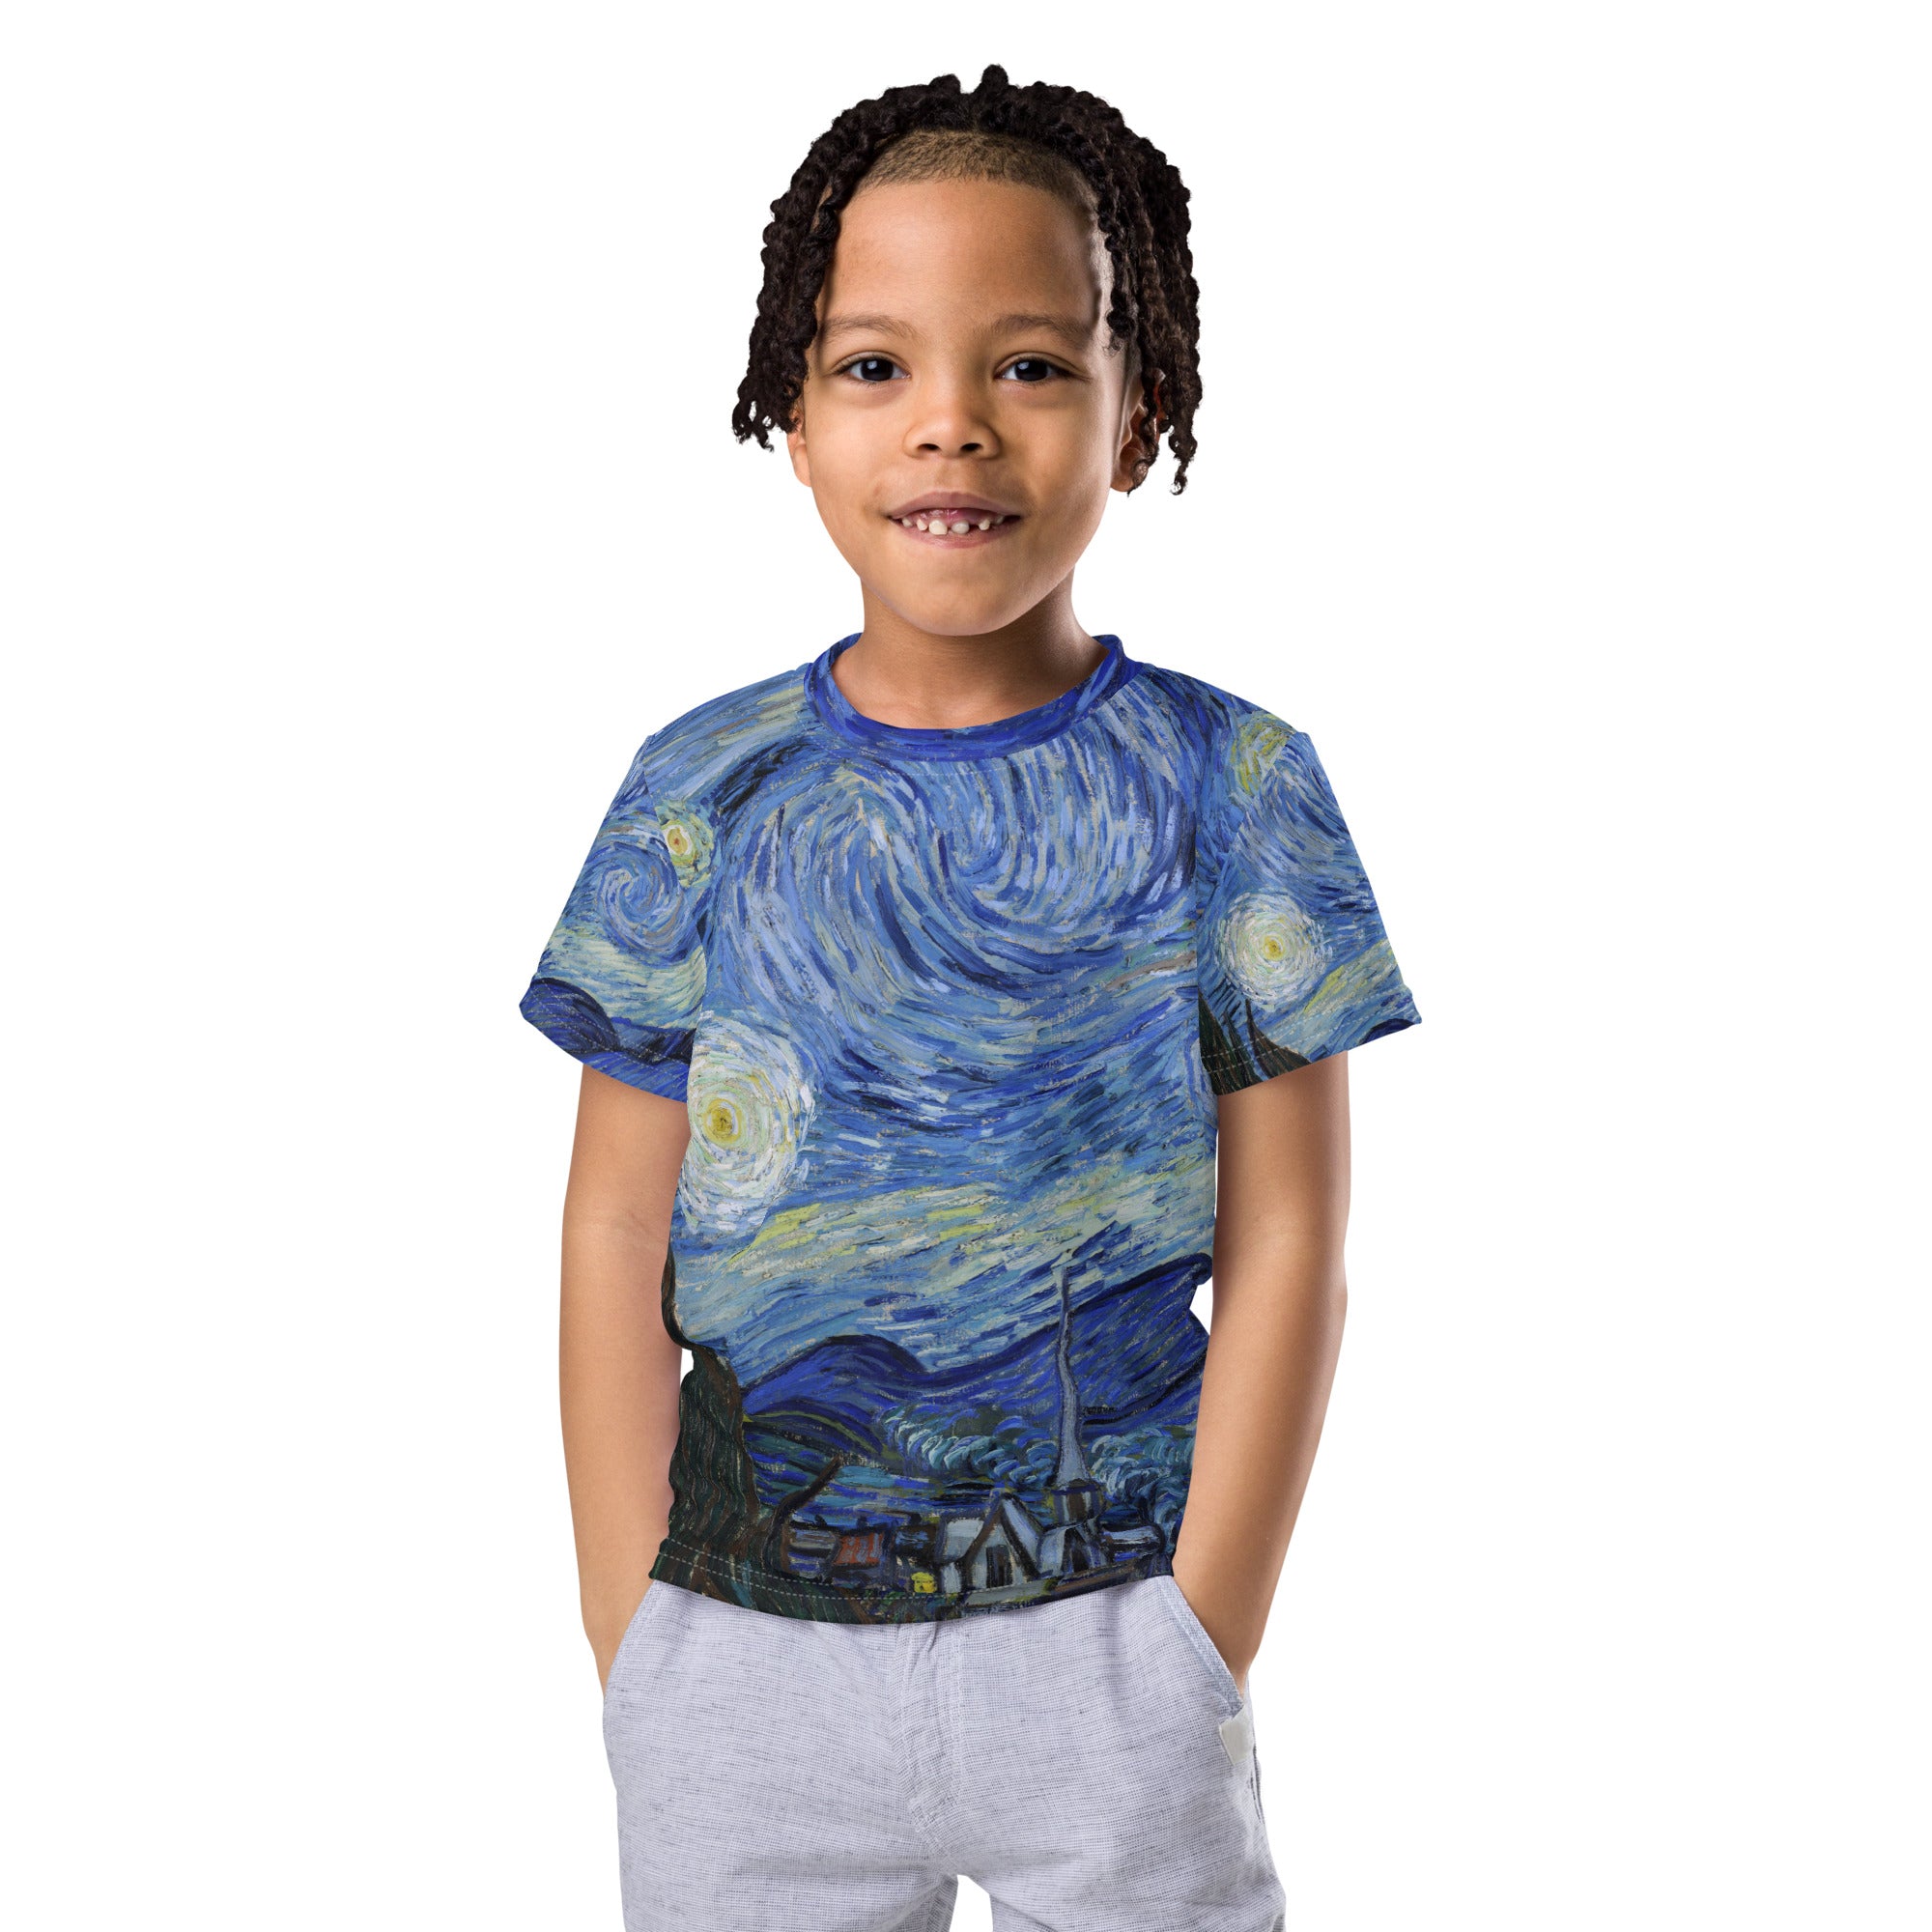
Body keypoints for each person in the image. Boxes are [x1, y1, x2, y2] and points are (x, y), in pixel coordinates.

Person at [520, 64, 1421, 1932]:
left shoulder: (1236, 785)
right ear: (790, 417)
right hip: (737, 1660)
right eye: (876, 366)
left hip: (1113, 1652)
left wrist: (1200, 1629)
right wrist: (636, 1629)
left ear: (1136, 412)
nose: (952, 424)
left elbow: (1292, 1234)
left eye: (1029, 363)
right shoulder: (700, 791)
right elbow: (614, 1224)